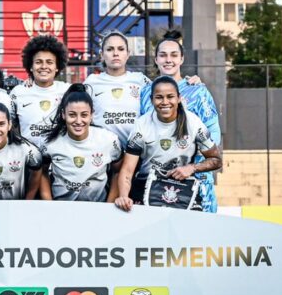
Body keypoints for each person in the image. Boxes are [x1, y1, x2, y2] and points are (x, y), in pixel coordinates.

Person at [140, 30, 222, 213]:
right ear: (156, 59)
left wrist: (193, 167)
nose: (168, 60)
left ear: (182, 59)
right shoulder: (145, 92)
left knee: (197, 237)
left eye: (174, 55)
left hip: (194, 180)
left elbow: (214, 134)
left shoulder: (197, 91)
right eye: (163, 55)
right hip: (157, 180)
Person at [114, 76, 222, 211]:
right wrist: (124, 196)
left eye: (170, 97)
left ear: (179, 98)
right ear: (151, 99)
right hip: (146, 184)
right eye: (159, 97)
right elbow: (127, 170)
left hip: (183, 186)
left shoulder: (194, 123)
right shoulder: (141, 125)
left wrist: (192, 168)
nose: (165, 102)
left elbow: (216, 160)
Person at [40, 83, 122, 201]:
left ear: (91, 115)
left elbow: (118, 171)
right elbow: (42, 173)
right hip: (61, 209)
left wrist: (109, 205)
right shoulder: (50, 142)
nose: (78, 121)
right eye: (72, 115)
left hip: (97, 209)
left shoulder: (109, 140)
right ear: (63, 114)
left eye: (84, 115)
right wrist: (49, 203)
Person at [83, 30, 152, 147]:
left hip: (136, 152)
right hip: (102, 151)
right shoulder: (91, 82)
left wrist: (190, 80)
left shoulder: (140, 80)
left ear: (128, 54)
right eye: (110, 49)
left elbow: (166, 93)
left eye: (121, 49)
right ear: (102, 55)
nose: (115, 53)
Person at [10, 35, 70, 148]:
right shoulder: (18, 92)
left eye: (49, 62)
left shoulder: (67, 91)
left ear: (57, 67)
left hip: (59, 157)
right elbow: (8, 126)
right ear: (31, 66)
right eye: (38, 62)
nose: (44, 66)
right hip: (28, 160)